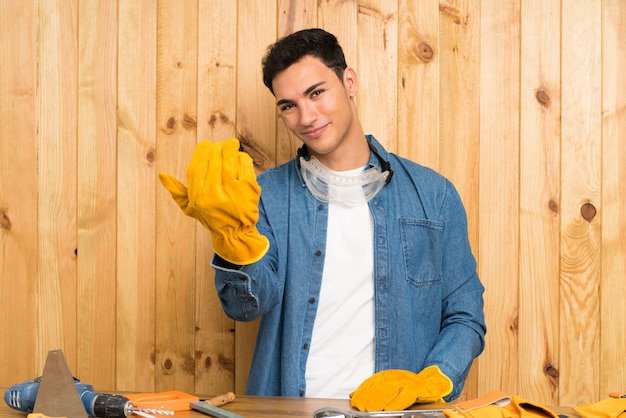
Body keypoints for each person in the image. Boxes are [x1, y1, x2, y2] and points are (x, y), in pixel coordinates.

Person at [159, 28, 486, 411]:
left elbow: (466, 316)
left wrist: (433, 379)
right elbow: (245, 307)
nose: (306, 117)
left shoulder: (434, 195)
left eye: (316, 93)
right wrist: (231, 237)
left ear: (349, 81)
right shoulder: (264, 197)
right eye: (288, 105)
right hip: (289, 408)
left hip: (394, 412)